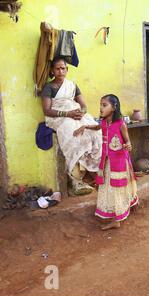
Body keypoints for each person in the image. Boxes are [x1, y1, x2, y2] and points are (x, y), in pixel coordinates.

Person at [73, 94, 139, 230]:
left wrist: (128, 146)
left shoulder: (121, 124)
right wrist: (85, 126)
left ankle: (117, 219)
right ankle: (126, 205)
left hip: (119, 162)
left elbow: (128, 141)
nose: (101, 108)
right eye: (101, 105)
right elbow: (97, 128)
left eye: (104, 105)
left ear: (114, 108)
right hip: (107, 162)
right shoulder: (103, 123)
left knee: (117, 187)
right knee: (109, 186)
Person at [41, 57, 102, 195]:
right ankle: (76, 180)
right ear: (52, 70)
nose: (60, 71)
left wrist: (82, 113)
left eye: (63, 68)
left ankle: (94, 172)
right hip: (58, 117)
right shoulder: (48, 87)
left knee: (94, 132)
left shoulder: (73, 85)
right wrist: (68, 113)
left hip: (75, 114)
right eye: (57, 68)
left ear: (67, 70)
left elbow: (84, 105)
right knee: (73, 135)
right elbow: (47, 110)